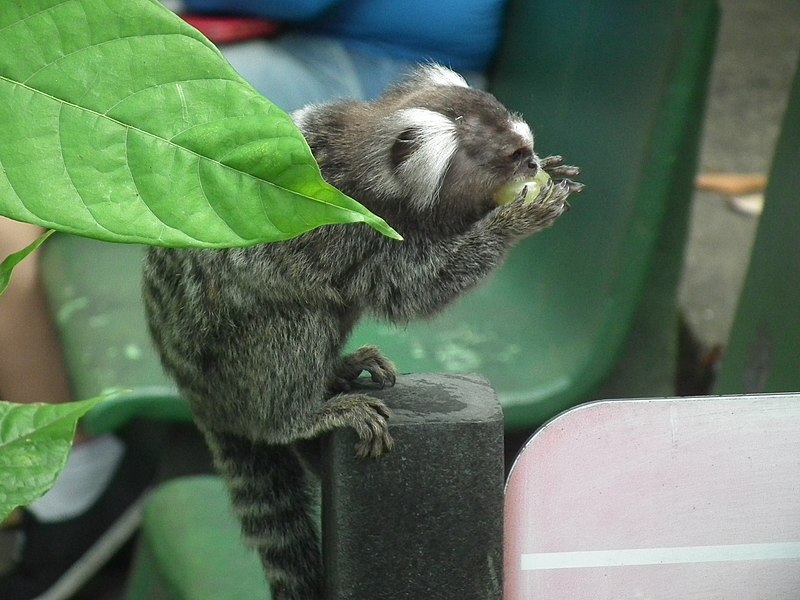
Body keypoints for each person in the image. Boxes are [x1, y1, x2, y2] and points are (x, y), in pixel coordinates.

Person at [0, 0, 508, 596]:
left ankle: (77, 488)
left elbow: (409, 294)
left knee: (92, 120)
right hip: (361, 78)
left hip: (390, 73)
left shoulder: (387, 161)